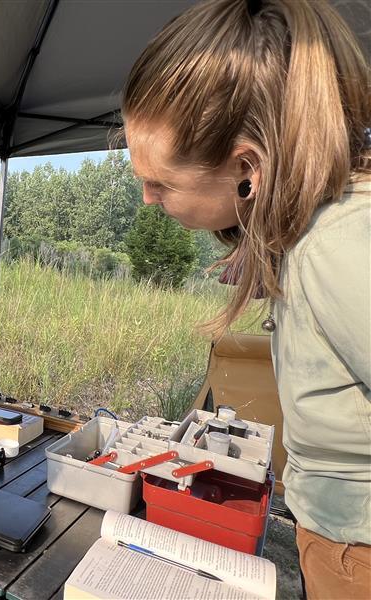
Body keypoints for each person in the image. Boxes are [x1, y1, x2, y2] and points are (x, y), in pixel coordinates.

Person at [121, 0, 370, 597]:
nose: (150, 199)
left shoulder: (335, 246)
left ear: (246, 169)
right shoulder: (316, 234)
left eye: (163, 182)